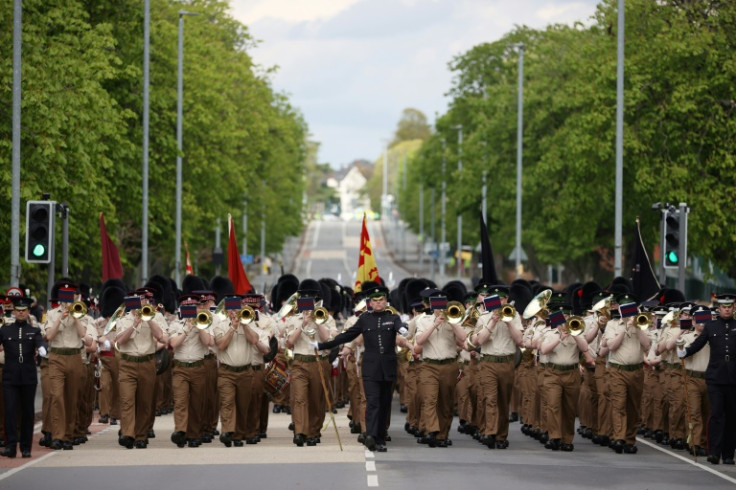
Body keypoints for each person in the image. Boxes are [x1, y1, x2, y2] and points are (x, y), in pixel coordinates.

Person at [316, 285, 414, 452]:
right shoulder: (364, 319)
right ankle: (371, 435)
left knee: (384, 404)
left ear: (386, 301)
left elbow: (401, 328)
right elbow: (346, 336)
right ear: (369, 302)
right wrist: (322, 345)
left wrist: (404, 330)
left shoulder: (393, 318)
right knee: (372, 402)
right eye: (375, 300)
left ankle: (380, 438)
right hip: (370, 367)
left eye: (381, 300)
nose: (378, 303)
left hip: (388, 367)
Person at [678, 293, 736, 465]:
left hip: (733, 378)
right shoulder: (711, 326)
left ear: (733, 308)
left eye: (729, 307)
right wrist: (685, 352)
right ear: (718, 309)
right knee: (717, 415)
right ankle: (714, 452)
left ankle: (728, 454)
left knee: (732, 417)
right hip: (715, 377)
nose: (727, 309)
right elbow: (699, 343)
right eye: (724, 307)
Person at [0, 296, 44, 458]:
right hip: (10, 376)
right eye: (17, 311)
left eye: (23, 311)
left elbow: (40, 342)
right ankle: (11, 446)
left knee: (27, 412)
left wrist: (41, 349)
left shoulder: (34, 330)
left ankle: (26, 447)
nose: (20, 313)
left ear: (28, 312)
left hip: (28, 376)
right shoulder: (5, 330)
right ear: (14, 312)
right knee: (10, 411)